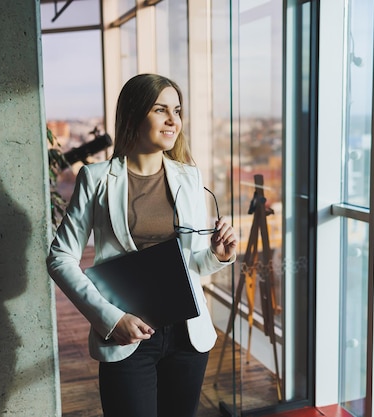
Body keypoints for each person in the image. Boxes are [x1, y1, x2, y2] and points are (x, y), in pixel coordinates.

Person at [47, 73, 238, 417]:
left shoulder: (189, 177)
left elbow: (195, 262)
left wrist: (218, 255)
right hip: (127, 339)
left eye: (177, 111)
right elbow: (60, 257)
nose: (172, 120)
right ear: (134, 115)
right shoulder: (97, 178)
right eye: (160, 110)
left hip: (187, 336)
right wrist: (110, 319)